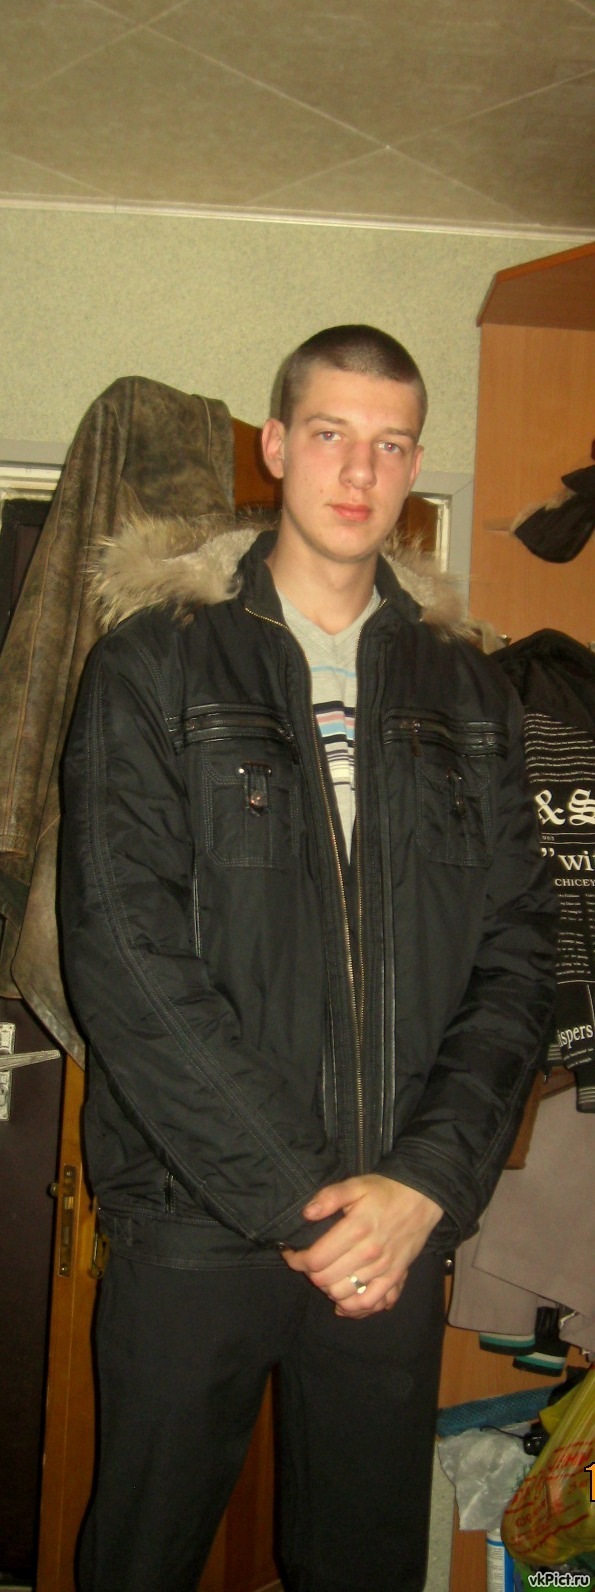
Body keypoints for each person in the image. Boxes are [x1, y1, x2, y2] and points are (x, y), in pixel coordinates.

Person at [59, 325, 557, 1592]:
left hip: (394, 1222)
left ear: (414, 466)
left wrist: (421, 1186)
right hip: (195, 1211)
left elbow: (516, 959)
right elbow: (124, 952)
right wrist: (300, 1199)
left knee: (362, 1562)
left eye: (389, 444)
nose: (358, 470)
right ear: (277, 446)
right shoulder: (153, 662)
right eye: (331, 433)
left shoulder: (474, 694)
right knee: (142, 1554)